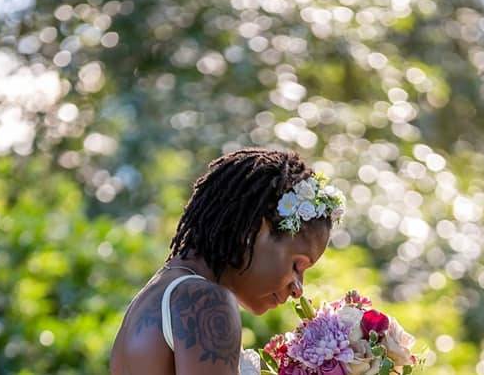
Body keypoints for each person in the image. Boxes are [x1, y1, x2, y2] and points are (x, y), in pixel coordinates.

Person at [110, 147, 346, 375]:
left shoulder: (153, 298)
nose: (298, 290)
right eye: (297, 266)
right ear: (254, 231)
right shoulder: (206, 301)